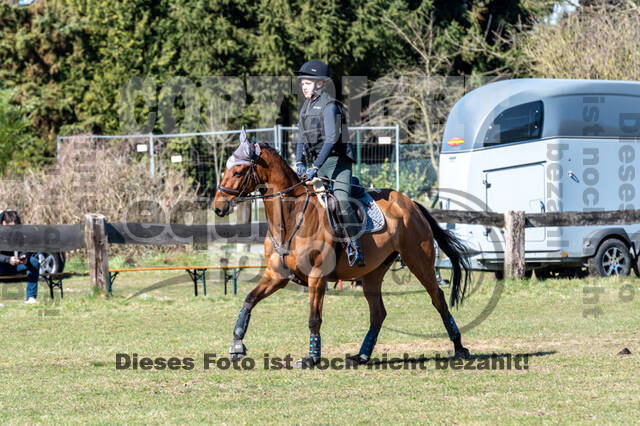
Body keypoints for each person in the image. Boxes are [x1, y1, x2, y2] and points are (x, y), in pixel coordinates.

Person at [294, 60, 365, 267]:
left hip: (338, 163)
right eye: (303, 83)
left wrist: (314, 167)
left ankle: (356, 248)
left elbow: (331, 139)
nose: (303, 86)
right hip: (317, 164)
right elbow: (300, 138)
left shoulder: (330, 106)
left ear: (319, 84)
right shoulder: (305, 108)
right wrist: (298, 162)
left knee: (341, 201)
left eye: (307, 83)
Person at [0, 210, 40, 304]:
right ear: (4, 223)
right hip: (2, 266)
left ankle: (31, 298)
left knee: (33, 261)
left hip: (15, 264)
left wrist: (25, 256)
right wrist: (8, 259)